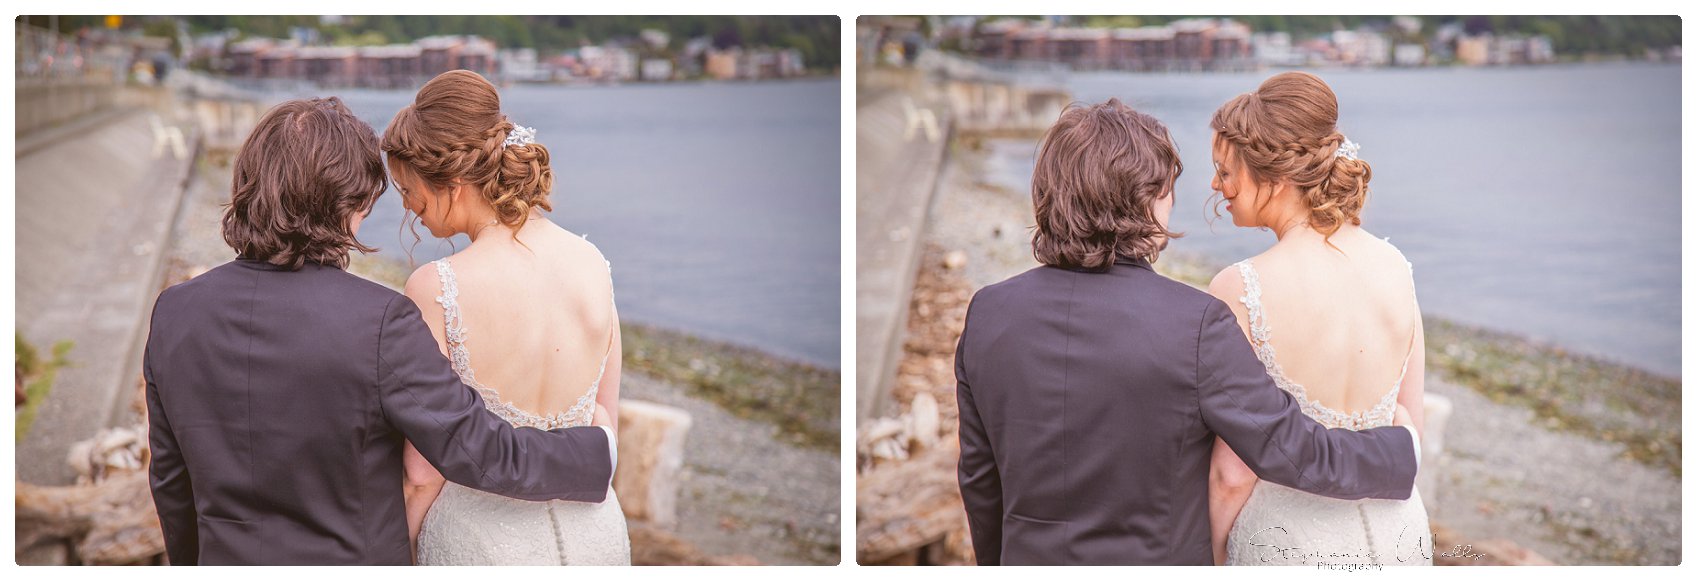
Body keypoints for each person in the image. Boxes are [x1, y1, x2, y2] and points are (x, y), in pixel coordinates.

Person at [144, 97, 617, 566]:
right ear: (350, 202)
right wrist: (598, 451)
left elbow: (170, 478)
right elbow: (479, 450)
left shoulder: (174, 311)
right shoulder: (379, 321)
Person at [953, 98, 1421, 565]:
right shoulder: (1195, 324)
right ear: (1147, 198)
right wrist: (1401, 451)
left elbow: (979, 477)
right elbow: (1291, 448)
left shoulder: (988, 313)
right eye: (1167, 189)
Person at [382, 70, 631, 565]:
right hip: (595, 535)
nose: (409, 209)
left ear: (452, 185)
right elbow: (605, 423)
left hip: (480, 543)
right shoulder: (592, 263)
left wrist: (396, 554)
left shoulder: (437, 286)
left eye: (409, 190)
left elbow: (423, 472)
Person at [1206, 71, 1433, 566]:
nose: (1216, 185)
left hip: (1288, 542)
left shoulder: (1241, 288)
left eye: (1226, 171)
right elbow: (1409, 426)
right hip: (1399, 536)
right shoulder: (1397, 267)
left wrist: (1214, 555)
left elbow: (1233, 473)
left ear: (1275, 175)